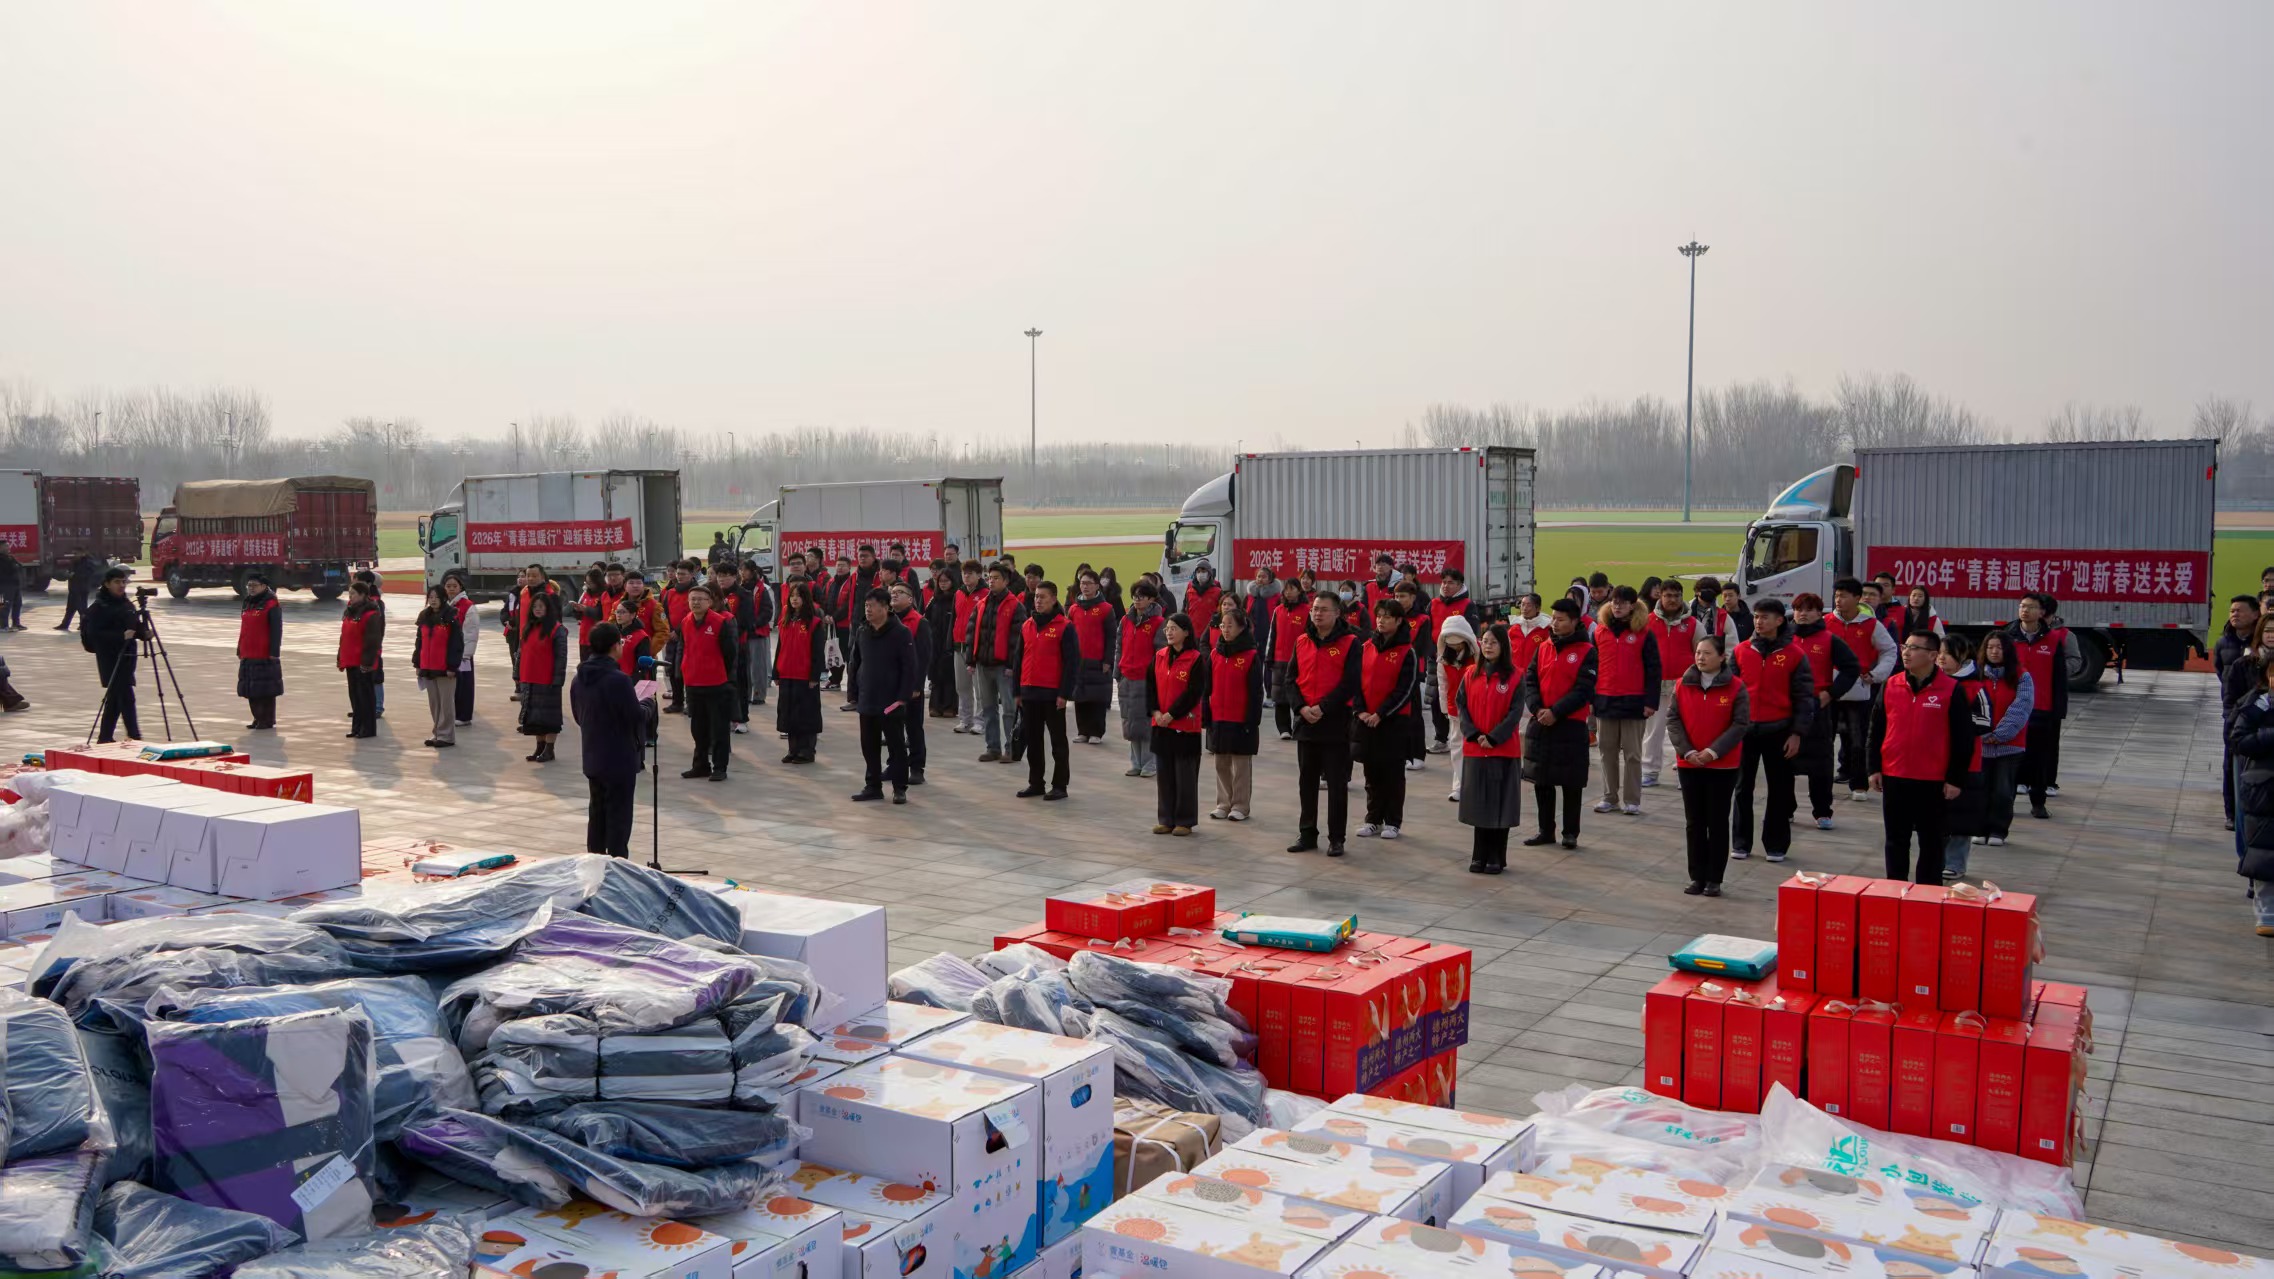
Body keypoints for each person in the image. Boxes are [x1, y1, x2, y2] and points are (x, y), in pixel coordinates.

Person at [1869, 630, 1976, 884]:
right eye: (1905, 646)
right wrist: (1873, 768)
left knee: (1931, 841)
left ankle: (1927, 894)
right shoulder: (1891, 685)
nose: (1906, 652)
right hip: (1895, 775)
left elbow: (1963, 739)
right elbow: (1876, 729)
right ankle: (1895, 889)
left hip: (1933, 779)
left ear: (1932, 655)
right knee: (1896, 839)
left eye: (1914, 648)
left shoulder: (1951, 689)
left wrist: (1955, 779)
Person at [1731, 599, 1813, 864]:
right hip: (1745, 731)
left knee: (1780, 789)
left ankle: (1776, 845)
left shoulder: (1794, 654)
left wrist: (1797, 733)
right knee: (1742, 788)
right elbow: (1731, 692)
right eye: (1756, 617)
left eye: (1765, 617)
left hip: (1780, 730)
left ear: (1779, 620)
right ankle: (1741, 842)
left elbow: (1804, 698)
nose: (1759, 622)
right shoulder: (1741, 651)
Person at [1668, 634, 1751, 896]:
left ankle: (1715, 879)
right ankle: (1697, 877)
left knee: (1716, 821)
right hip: (1689, 763)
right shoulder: (1682, 684)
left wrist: (1713, 752)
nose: (1701, 658)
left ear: (1722, 657)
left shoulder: (1736, 687)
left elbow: (1740, 724)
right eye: (1698, 653)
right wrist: (1688, 751)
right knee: (1694, 822)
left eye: (1707, 653)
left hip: (1722, 766)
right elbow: (1673, 720)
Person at [1287, 590, 1362, 856]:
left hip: (1335, 722)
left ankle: (1336, 838)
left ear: (1337, 613)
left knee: (1336, 783)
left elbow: (1351, 682)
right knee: (1306, 782)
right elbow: (1291, 679)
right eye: (1315, 609)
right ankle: (1307, 833)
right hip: (1306, 721)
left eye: (1323, 609)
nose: (1317, 614)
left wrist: (1323, 707)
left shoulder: (1350, 642)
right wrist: (1301, 707)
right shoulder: (1302, 641)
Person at [1521, 598, 1596, 850]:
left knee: (1571, 782)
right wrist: (1537, 708)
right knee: (1542, 780)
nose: (1554, 623)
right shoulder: (1543, 647)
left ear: (1574, 621)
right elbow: (1531, 680)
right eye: (1553, 618)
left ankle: (1570, 832)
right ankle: (1545, 830)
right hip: (1542, 722)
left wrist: (1556, 712)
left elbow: (1583, 690)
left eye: (1560, 619)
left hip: (1570, 724)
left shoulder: (1587, 651)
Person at [1451, 623, 1525, 873]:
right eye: (1485, 641)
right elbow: (1461, 705)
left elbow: (1515, 713)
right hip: (1475, 749)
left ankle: (1496, 856)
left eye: (1494, 642)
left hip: (1502, 750)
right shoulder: (1471, 673)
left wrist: (1493, 738)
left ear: (1504, 646)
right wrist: (1473, 734)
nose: (1488, 646)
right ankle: (1479, 854)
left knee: (1500, 805)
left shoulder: (1516, 676)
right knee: (1478, 805)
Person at [571, 622, 648, 858]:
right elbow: (635, 716)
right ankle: (617, 863)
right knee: (619, 817)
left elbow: (578, 716)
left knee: (597, 812)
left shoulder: (579, 678)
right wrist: (648, 705)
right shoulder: (618, 679)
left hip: (592, 754)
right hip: (619, 757)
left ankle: (594, 860)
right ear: (616, 646)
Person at [1787, 592, 1861, 831]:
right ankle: (1785, 808)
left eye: (1809, 610)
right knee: (1783, 762)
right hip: (1785, 709)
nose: (1803, 614)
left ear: (1820, 614)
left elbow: (1851, 668)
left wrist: (1831, 693)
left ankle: (1822, 811)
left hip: (1816, 710)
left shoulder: (1829, 639)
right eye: (1799, 609)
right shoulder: (1783, 637)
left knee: (1820, 764)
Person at [1590, 586, 1663, 817]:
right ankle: (1609, 797)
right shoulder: (1599, 631)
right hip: (1605, 699)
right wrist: (1591, 698)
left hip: (1634, 700)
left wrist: (1650, 702)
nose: (1617, 606)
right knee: (1607, 752)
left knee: (1632, 754)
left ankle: (1632, 800)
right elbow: (1591, 667)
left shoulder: (1644, 633)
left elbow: (1654, 669)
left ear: (1632, 605)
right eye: (1614, 602)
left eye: (1622, 602)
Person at [1352, 598, 1420, 841]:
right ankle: (1373, 819)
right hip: (1366, 720)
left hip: (1393, 722)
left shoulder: (1406, 651)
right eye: (1379, 615)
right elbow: (1355, 681)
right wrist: (1360, 711)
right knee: (1371, 773)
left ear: (1399, 620)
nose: (1381, 620)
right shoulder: (1366, 646)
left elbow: (1405, 689)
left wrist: (1381, 713)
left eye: (1387, 616)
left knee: (1392, 773)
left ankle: (1393, 821)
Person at [2007, 592, 2077, 817]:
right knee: (2009, 757)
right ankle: (2006, 801)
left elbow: (2059, 678)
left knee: (2039, 757)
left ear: (2042, 612)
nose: (2025, 610)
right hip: (2012, 707)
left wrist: (2058, 708)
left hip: (2041, 708)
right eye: (2022, 606)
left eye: (2031, 607)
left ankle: (2038, 802)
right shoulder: (2007, 637)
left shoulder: (2054, 639)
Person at [1827, 577, 1896, 800]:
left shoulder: (1871, 624)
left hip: (1858, 689)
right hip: (1828, 691)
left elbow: (1890, 650)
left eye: (1844, 596)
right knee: (1825, 740)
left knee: (1858, 739)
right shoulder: (1826, 622)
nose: (1838, 600)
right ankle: (1823, 783)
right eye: (1837, 596)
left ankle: (1859, 785)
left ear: (1857, 598)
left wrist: (1876, 675)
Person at [851, 588, 918, 805]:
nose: (868, 610)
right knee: (868, 745)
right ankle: (873, 786)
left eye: (872, 606)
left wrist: (903, 697)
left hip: (891, 701)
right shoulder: (863, 631)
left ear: (885, 608)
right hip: (868, 697)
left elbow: (909, 667)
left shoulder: (901, 633)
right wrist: (853, 691)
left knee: (896, 746)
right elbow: (855, 662)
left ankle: (899, 787)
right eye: (866, 606)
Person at [1146, 613, 1211, 834]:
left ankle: (1185, 821)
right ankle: (1166, 819)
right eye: (1167, 628)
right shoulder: (1159, 656)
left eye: (1174, 628)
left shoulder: (1195, 659)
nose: (1169, 632)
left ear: (1186, 632)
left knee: (1185, 776)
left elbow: (1194, 693)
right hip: (1161, 724)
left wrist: (1171, 714)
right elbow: (1150, 687)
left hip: (1184, 726)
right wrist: (1156, 712)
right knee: (1164, 775)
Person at [1014, 580, 1079, 800]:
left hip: (1052, 694)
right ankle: (1036, 783)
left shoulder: (1065, 626)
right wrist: (1017, 691)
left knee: (1058, 742)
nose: (1038, 600)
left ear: (1053, 599)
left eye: (1043, 597)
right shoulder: (1027, 625)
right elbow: (1018, 660)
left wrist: (1064, 694)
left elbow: (1071, 664)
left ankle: (1060, 785)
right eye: (1036, 596)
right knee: (1033, 741)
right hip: (1029, 692)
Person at [1938, 635, 1995, 881]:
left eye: (1947, 654)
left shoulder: (1974, 687)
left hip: (1966, 763)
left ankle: (1955, 863)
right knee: (1936, 816)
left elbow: (1984, 722)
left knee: (1961, 817)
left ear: (1962, 657)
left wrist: (1952, 723)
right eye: (1939, 653)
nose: (1941, 658)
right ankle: (1936, 860)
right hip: (1934, 761)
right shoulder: (1933, 682)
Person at [2226, 652, 2274, 935]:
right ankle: (2267, 913)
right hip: (2264, 789)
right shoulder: (2257, 704)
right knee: (2265, 851)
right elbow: (2238, 739)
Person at [1973, 630, 2035, 850]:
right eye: (1990, 647)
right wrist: (1982, 734)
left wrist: (1999, 734)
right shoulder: (1975, 675)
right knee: (1980, 790)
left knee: (2003, 791)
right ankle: (1979, 829)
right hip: (1980, 746)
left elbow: (2021, 708)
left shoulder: (2022, 676)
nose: (1994, 651)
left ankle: (1998, 830)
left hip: (2010, 747)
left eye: (1999, 647)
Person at [1204, 605, 1264, 822]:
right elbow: (1206, 688)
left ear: (1241, 628)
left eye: (1230, 626)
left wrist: (1252, 720)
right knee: (1220, 762)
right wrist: (1206, 715)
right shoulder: (1214, 654)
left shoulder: (1250, 656)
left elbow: (1256, 692)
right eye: (1223, 625)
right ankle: (1223, 803)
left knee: (1240, 764)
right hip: (1218, 717)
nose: (1225, 630)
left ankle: (1240, 805)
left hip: (1241, 719)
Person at [677, 583, 739, 781]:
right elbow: (683, 648)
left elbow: (730, 653)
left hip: (716, 683)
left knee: (719, 728)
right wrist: (681, 670)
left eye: (700, 599)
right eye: (692, 599)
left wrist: (722, 674)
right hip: (693, 682)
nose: (696, 602)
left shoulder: (720, 622)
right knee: (698, 728)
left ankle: (720, 767)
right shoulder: (686, 621)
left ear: (710, 602)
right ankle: (700, 765)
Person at [1640, 579, 1698, 789]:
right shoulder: (1647, 622)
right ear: (1660, 596)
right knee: (1654, 731)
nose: (1672, 600)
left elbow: (1701, 651)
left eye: (1676, 596)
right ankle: (1650, 771)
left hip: (1685, 686)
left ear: (1682, 597)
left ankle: (1686, 769)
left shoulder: (1693, 624)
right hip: (1656, 686)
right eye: (1668, 596)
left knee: (1685, 729)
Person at [968, 563, 1026, 763]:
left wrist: (1012, 665)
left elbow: (1018, 640)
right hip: (984, 665)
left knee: (1009, 710)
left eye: (996, 578)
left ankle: (1010, 749)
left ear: (1006, 581)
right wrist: (971, 660)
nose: (991, 581)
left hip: (1004, 667)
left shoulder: (1015, 606)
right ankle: (992, 747)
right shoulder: (982, 604)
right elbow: (972, 633)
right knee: (988, 708)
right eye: (989, 578)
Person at [2217, 595, 2262, 831]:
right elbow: (2221, 673)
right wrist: (2230, 710)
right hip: (2232, 713)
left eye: (2240, 610)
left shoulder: (2260, 643)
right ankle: (2232, 814)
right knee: (2230, 764)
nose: (2234, 614)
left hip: (2257, 712)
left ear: (2255, 614)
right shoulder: (2224, 642)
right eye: (2232, 610)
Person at [83, 566, 143, 741]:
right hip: (109, 658)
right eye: (117, 582)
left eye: (124, 582)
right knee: (126, 696)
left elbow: (134, 627)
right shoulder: (99, 607)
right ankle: (134, 735)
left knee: (116, 698)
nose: (121, 585)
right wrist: (120, 636)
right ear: (107, 584)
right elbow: (95, 635)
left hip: (127, 657)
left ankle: (105, 737)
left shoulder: (127, 604)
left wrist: (144, 632)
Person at [773, 581, 829, 764]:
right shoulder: (785, 620)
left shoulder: (814, 622)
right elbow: (780, 647)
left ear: (806, 599)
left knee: (806, 714)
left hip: (805, 676)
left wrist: (814, 676)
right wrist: (776, 672)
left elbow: (817, 652)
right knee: (789, 714)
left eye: (798, 596)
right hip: (786, 673)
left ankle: (807, 750)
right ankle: (793, 749)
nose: (794, 599)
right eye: (792, 596)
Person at [1118, 581, 1170, 778]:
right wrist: (1118, 673)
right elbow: (1119, 647)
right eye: (1135, 596)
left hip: (1146, 679)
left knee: (1146, 723)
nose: (1137, 600)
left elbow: (1161, 652)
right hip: (1126, 677)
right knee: (1129, 721)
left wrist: (1157, 676)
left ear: (1151, 599)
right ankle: (1136, 763)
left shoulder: (1158, 622)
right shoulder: (1125, 620)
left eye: (1141, 596)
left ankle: (1150, 763)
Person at [887, 582, 931, 784]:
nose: (894, 595)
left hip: (910, 686)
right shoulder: (886, 619)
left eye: (900, 593)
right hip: (890, 684)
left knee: (913, 727)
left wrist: (916, 686)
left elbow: (923, 658)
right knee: (891, 729)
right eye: (892, 592)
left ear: (911, 599)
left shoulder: (919, 622)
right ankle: (894, 765)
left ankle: (916, 767)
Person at [515, 591, 567, 761]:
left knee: (549, 717)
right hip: (528, 677)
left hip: (547, 679)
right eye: (535, 606)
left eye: (541, 607)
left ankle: (549, 749)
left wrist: (558, 679)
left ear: (548, 609)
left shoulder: (557, 629)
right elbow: (521, 653)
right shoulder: (528, 628)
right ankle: (539, 747)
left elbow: (561, 656)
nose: (537, 609)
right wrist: (517, 674)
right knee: (535, 717)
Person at [1067, 571, 1117, 743]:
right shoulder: (1074, 609)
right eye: (1082, 583)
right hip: (1078, 661)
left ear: (1097, 585)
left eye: (1089, 583)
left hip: (1098, 660)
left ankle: (1096, 732)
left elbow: (1111, 637)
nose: (1085, 586)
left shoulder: (1106, 609)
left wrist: (1107, 660)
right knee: (1080, 697)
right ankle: (1083, 731)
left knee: (1097, 697)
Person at [413, 585, 464, 748]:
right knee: (434, 703)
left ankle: (446, 736)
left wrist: (452, 666)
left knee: (446, 703)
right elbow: (419, 642)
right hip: (428, 666)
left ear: (443, 598)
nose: (433, 600)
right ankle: (437, 732)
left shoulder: (451, 616)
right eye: (430, 597)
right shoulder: (424, 616)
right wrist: (417, 663)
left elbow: (456, 643)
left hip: (444, 668)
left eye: (436, 597)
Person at [1437, 615, 1478, 804]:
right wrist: (1445, 708)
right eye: (1451, 644)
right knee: (1457, 748)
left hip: (1476, 708)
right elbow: (1442, 683)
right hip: (1455, 709)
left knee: (1474, 747)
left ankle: (1474, 785)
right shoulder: (1444, 659)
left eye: (1458, 644)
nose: (1455, 648)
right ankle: (1459, 786)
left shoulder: (1478, 657)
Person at [236, 572, 284, 730]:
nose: (251, 588)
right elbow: (244, 628)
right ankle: (257, 717)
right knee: (250, 689)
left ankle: (266, 719)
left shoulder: (271, 604)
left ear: (264, 586)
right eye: (249, 585)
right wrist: (239, 647)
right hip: (248, 652)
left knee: (265, 690)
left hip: (264, 653)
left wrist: (274, 652)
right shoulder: (247, 602)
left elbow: (276, 630)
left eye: (254, 585)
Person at [337, 579, 385, 740]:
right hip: (350, 660)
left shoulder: (371, 614)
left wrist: (367, 662)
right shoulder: (350, 612)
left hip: (363, 662)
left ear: (363, 595)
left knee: (365, 697)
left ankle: (368, 728)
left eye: (353, 594)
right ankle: (357, 727)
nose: (350, 597)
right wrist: (340, 656)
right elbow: (344, 637)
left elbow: (372, 641)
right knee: (355, 697)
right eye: (349, 593)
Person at [1269, 577, 1309, 741]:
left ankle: (1298, 725)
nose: (1289, 592)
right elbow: (1273, 635)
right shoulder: (1278, 610)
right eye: (1286, 589)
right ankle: (1284, 728)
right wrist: (1269, 657)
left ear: (1299, 590)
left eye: (1292, 588)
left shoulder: (1307, 610)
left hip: (1300, 659)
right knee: (1280, 696)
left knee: (1299, 694)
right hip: (1280, 658)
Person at [924, 563, 960, 718]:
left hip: (950, 642)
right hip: (935, 642)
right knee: (936, 674)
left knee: (949, 675)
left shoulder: (957, 598)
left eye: (946, 581)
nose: (943, 584)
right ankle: (935, 706)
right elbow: (926, 618)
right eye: (941, 581)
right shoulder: (934, 600)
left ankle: (949, 707)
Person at [660, 562, 696, 712]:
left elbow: (694, 614)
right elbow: (664, 613)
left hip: (690, 637)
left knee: (688, 670)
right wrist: (668, 630)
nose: (679, 576)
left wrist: (678, 631)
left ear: (692, 574)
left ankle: (691, 703)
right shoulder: (670, 593)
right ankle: (677, 702)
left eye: (683, 574)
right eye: (678, 573)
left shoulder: (696, 593)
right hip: (672, 637)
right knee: (672, 669)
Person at [444, 574, 479, 725]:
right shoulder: (445, 605)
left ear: (460, 587)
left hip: (462, 654)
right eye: (448, 586)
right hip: (448, 653)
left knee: (464, 686)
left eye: (454, 586)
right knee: (452, 686)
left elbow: (471, 633)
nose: (451, 589)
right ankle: (453, 713)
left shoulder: (467, 606)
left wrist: (465, 655)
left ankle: (464, 716)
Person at [742, 559, 775, 712]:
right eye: (741, 570)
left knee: (758, 666)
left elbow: (767, 611)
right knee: (745, 667)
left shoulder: (762, 589)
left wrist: (755, 624)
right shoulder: (741, 588)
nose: (742, 573)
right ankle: (747, 694)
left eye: (745, 570)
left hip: (757, 632)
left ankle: (759, 694)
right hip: (743, 633)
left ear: (752, 571)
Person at [58, 550, 99, 632]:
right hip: (73, 588)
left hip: (81, 589)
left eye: (76, 553)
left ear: (83, 553)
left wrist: (74, 575)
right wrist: (68, 574)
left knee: (81, 609)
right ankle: (65, 624)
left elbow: (88, 573)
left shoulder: (87, 562)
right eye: (74, 553)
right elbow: (70, 571)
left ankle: (84, 624)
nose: (75, 555)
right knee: (70, 608)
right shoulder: (75, 562)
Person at [0, 546, 20, 630]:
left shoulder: (10, 557)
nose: (8, 548)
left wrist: (15, 565)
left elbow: (19, 566)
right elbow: (9, 569)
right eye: (5, 546)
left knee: (17, 604)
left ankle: (16, 623)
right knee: (4, 605)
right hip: (4, 585)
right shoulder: (2, 559)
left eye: (8, 546)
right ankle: (3, 625)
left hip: (14, 585)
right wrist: (14, 566)